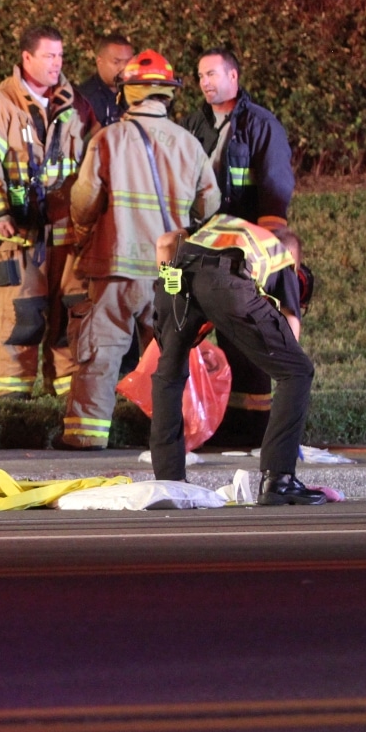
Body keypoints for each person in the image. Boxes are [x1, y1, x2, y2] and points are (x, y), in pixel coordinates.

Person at [60, 50, 220, 449]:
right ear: (167, 95)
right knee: (169, 353)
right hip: (168, 271)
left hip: (115, 268)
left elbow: (83, 202)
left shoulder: (107, 141)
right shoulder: (189, 144)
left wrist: (83, 234)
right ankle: (178, 436)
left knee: (101, 350)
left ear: (126, 94)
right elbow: (211, 208)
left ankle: (86, 438)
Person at [150, 216, 323, 504]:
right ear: (295, 258)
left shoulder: (222, 225)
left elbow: (165, 242)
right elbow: (289, 339)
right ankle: (279, 480)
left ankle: (171, 480)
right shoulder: (282, 257)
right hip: (226, 283)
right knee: (297, 372)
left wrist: (173, 303)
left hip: (175, 275)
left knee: (169, 374)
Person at [0, 25, 87, 400]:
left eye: (60, 56)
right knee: (23, 317)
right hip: (18, 235)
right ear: (27, 58)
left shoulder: (74, 104)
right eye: (49, 56)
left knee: (69, 318)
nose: (57, 64)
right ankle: (13, 402)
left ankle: (65, 398)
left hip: (66, 235)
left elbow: (93, 160)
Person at [183, 47, 296, 445]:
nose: (205, 82)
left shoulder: (261, 125)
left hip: (244, 247)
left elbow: (274, 185)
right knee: (204, 333)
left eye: (212, 73)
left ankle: (253, 426)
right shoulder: (194, 125)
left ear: (234, 76)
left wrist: (268, 241)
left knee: (245, 333)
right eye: (200, 75)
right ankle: (220, 421)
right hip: (204, 243)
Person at [73, 34, 134, 133]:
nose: (123, 68)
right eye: (116, 62)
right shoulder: (84, 99)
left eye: (127, 62)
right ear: (99, 61)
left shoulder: (136, 94)